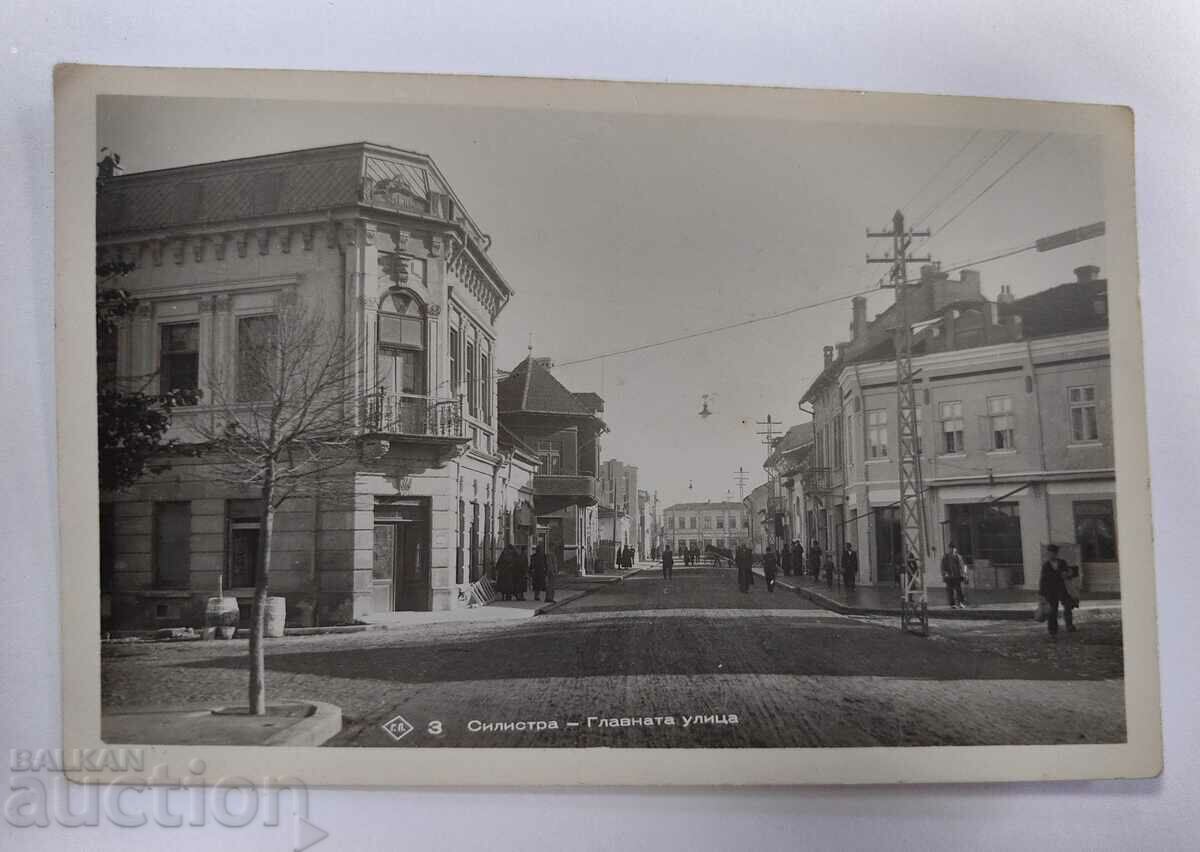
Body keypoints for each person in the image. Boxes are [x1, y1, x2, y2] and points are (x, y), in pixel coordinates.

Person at [1039, 545, 1075, 637]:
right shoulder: (1046, 565)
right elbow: (1043, 580)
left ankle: (1069, 625)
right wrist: (1041, 594)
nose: (1051, 555)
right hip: (1051, 591)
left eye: (1053, 553)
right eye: (1049, 553)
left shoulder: (1062, 563)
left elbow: (1069, 574)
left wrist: (1068, 574)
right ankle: (1052, 630)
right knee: (1052, 610)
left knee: (1068, 606)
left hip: (1063, 589)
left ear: (1056, 553)